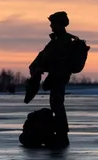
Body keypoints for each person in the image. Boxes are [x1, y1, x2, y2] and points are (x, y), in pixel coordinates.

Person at [29, 11, 77, 147]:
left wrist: (41, 67)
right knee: (56, 105)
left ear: (61, 24)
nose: (51, 26)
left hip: (59, 76)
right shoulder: (57, 40)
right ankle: (61, 134)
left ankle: (62, 135)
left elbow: (53, 58)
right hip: (56, 75)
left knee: (58, 105)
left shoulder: (63, 41)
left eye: (53, 23)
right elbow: (44, 56)